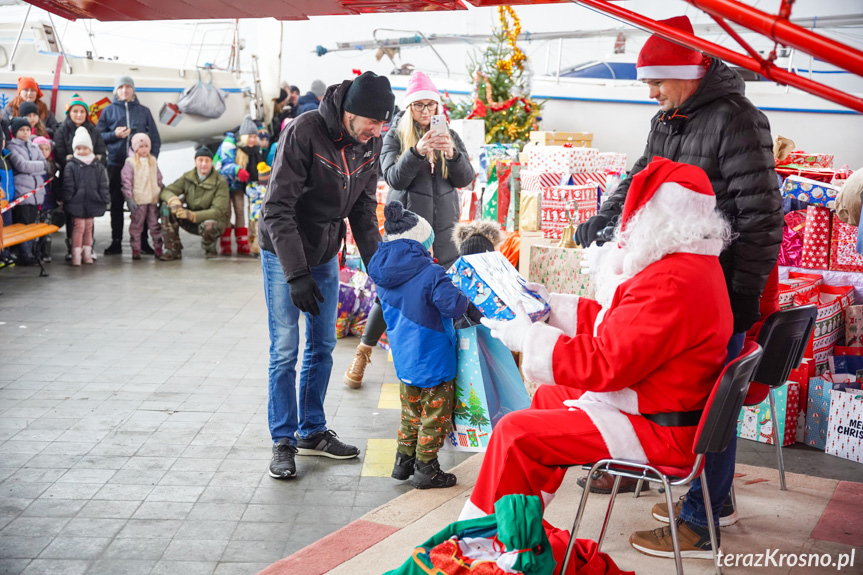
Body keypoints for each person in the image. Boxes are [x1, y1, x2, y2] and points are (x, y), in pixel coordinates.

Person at [572, 16, 782, 558]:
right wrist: (608, 214)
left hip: (715, 291)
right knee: (684, 393)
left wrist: (736, 303)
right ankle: (711, 497)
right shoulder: (670, 116)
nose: (652, 91)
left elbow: (760, 220)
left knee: (711, 404)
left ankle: (702, 518)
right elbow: (644, 174)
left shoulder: (738, 120)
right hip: (676, 286)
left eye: (657, 80)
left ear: (689, 71)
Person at [458, 158, 734, 564]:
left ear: (658, 217)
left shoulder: (672, 280)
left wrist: (529, 336)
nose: (626, 225)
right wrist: (550, 308)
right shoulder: (691, 266)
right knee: (552, 395)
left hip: (658, 429)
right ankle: (519, 525)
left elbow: (608, 364)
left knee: (516, 433)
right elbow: (622, 326)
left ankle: (483, 546)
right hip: (662, 405)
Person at [259, 71, 395, 480]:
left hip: (324, 251)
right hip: (285, 251)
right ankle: (283, 439)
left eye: (382, 124)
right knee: (285, 346)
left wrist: (380, 270)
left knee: (322, 344)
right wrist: (296, 274)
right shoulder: (305, 132)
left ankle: (312, 431)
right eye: (372, 122)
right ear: (351, 112)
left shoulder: (367, 146)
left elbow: (363, 211)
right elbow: (276, 209)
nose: (376, 131)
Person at [343, 71, 474, 390]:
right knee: (388, 294)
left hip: (444, 231)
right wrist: (417, 151)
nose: (427, 112)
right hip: (408, 234)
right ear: (409, 107)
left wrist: (452, 156)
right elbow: (392, 176)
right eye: (419, 106)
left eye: (431, 106)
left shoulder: (449, 135)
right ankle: (363, 352)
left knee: (445, 293)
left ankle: (451, 372)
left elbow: (465, 177)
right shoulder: (394, 135)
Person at [369, 201, 469, 489]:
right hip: (434, 359)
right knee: (435, 416)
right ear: (420, 245)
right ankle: (427, 468)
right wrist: (461, 291)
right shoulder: (431, 274)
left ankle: (403, 461)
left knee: (410, 412)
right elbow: (454, 305)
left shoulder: (383, 274)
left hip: (404, 359)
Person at [97, 74, 161, 256]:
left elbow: (155, 138)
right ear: (116, 91)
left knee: (143, 202)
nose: (124, 90)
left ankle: (143, 242)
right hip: (115, 164)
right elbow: (99, 136)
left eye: (128, 87)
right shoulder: (108, 111)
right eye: (121, 87)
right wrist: (114, 135)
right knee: (116, 203)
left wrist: (151, 160)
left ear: (133, 90)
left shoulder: (144, 111)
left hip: (141, 167)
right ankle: (116, 241)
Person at [55, 94, 108, 263]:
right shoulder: (62, 130)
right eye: (75, 111)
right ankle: (72, 247)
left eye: (82, 111)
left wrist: (95, 162)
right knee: (73, 213)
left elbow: (102, 152)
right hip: (71, 176)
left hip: (91, 176)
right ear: (69, 113)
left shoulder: (94, 131)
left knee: (89, 215)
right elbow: (59, 153)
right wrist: (74, 163)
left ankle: (88, 247)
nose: (78, 115)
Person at [159, 146, 229, 261]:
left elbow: (218, 211)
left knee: (209, 226)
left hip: (210, 220)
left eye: (207, 160)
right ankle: (173, 249)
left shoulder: (220, 182)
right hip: (188, 218)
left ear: (212, 162)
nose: (203, 164)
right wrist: (174, 201)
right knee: (166, 207)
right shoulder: (187, 177)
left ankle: (210, 249)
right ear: (195, 162)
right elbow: (167, 191)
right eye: (200, 160)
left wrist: (192, 215)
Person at [214, 117, 262, 255]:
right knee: (227, 212)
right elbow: (223, 164)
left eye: (255, 137)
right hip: (223, 184)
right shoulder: (229, 144)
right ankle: (225, 244)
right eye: (250, 137)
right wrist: (237, 170)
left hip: (238, 185)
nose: (253, 140)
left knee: (240, 210)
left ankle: (242, 243)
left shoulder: (252, 149)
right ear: (244, 136)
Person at [63, 128, 109, 266]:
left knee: (89, 227)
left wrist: (105, 198)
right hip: (76, 202)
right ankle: (76, 255)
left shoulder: (98, 166)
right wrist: (68, 199)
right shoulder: (71, 165)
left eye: (84, 148)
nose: (82, 151)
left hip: (93, 201)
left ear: (90, 148)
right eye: (78, 148)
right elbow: (68, 185)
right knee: (78, 227)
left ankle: (87, 254)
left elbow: (103, 184)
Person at [6, 117, 50, 265]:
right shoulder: (12, 147)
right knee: (22, 225)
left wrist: (34, 167)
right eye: (21, 130)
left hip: (36, 194)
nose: (25, 133)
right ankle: (24, 254)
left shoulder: (33, 146)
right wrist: (38, 167)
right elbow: (23, 166)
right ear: (15, 132)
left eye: (27, 129)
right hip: (22, 193)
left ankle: (30, 252)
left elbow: (45, 163)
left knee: (31, 225)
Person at [121, 133, 164, 260]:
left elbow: (158, 177)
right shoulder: (130, 162)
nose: (144, 149)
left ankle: (158, 248)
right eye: (141, 146)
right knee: (136, 225)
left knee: (154, 224)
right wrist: (129, 198)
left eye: (146, 146)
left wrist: (161, 191)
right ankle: (136, 249)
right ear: (135, 148)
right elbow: (126, 181)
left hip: (152, 199)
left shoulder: (153, 161)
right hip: (138, 200)